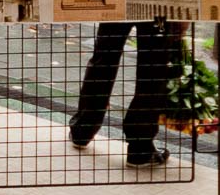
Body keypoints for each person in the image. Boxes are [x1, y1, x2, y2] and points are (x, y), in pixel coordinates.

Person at [68, 21, 181, 167]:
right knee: (153, 66)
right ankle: (140, 148)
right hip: (155, 10)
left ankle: (82, 130)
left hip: (119, 7)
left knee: (104, 57)